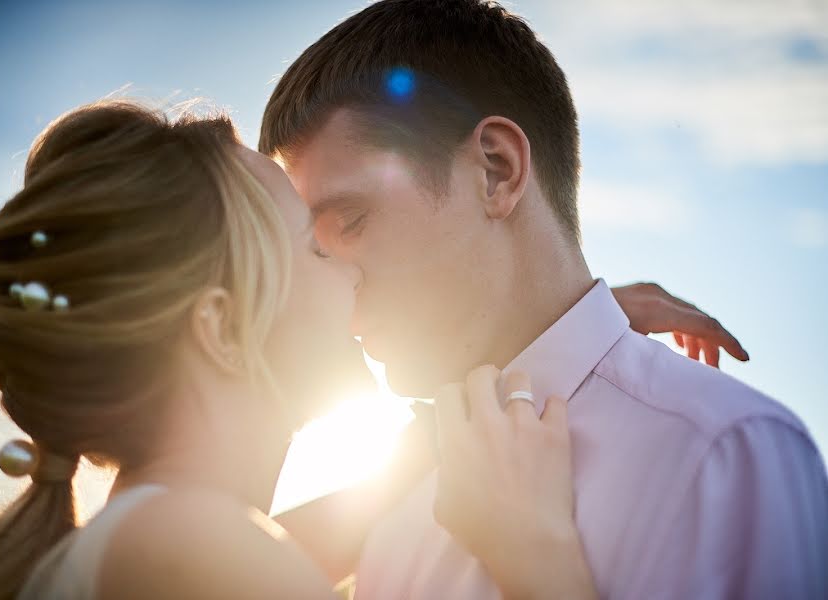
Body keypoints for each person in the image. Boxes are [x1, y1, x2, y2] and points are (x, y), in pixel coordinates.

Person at [258, 0, 828, 598]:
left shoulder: (723, 454)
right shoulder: (396, 510)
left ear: (496, 171)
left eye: (350, 220)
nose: (337, 284)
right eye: (318, 251)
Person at [0, 100, 600, 600]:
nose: (353, 270)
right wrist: (540, 560)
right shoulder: (188, 546)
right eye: (314, 247)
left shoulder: (159, 538)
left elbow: (319, 532)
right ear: (222, 329)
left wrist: (560, 324)